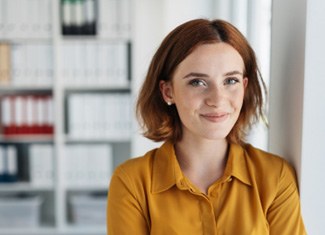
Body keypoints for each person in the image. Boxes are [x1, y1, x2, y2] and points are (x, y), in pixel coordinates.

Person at [107, 18, 306, 235]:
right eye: (198, 82)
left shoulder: (274, 176)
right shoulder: (131, 182)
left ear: (244, 87)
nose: (217, 99)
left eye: (230, 81)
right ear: (168, 92)